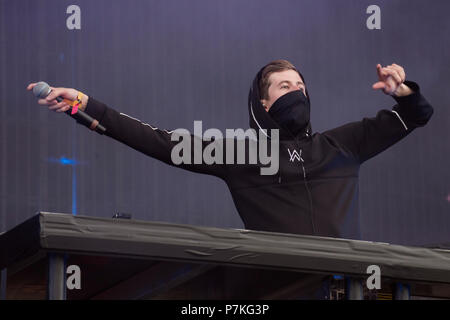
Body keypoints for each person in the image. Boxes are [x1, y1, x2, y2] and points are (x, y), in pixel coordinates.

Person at [27, 59, 434, 299]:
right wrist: (83, 105)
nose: (296, 91)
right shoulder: (242, 153)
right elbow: (159, 142)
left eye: (300, 85)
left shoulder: (341, 144)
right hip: (273, 293)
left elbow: (417, 114)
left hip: (343, 290)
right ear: (263, 102)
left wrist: (403, 91)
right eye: (284, 86)